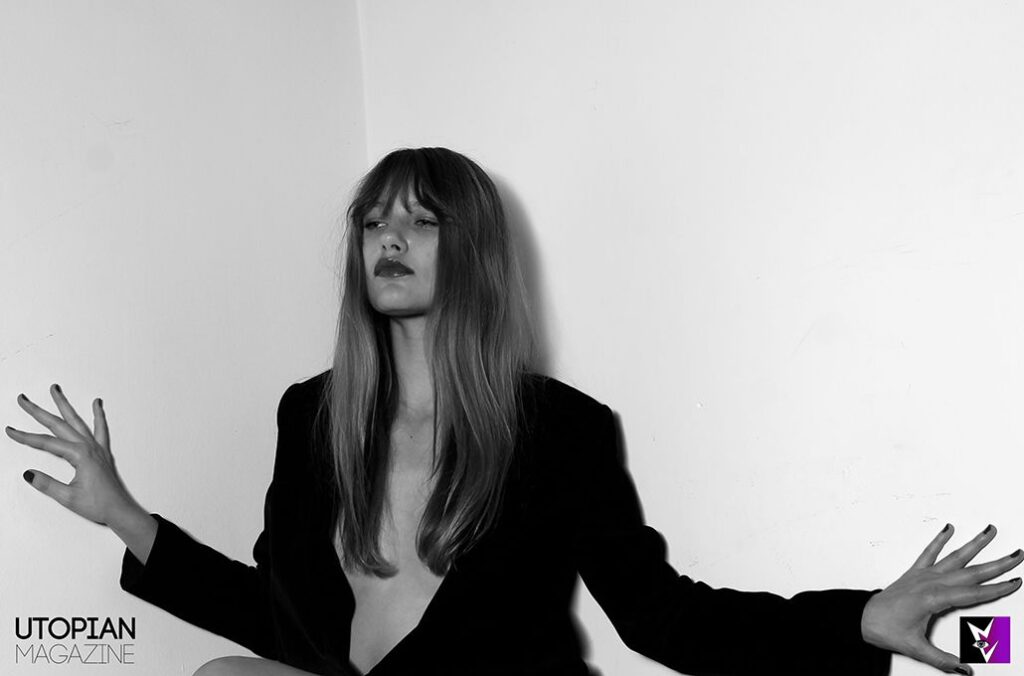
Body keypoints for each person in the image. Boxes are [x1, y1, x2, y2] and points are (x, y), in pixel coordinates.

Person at [7, 147, 1021, 676]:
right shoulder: (310, 417)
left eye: (421, 220)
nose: (388, 239)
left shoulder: (560, 432)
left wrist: (858, 621)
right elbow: (281, 617)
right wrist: (124, 517)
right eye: (373, 219)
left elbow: (663, 616)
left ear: (475, 253)